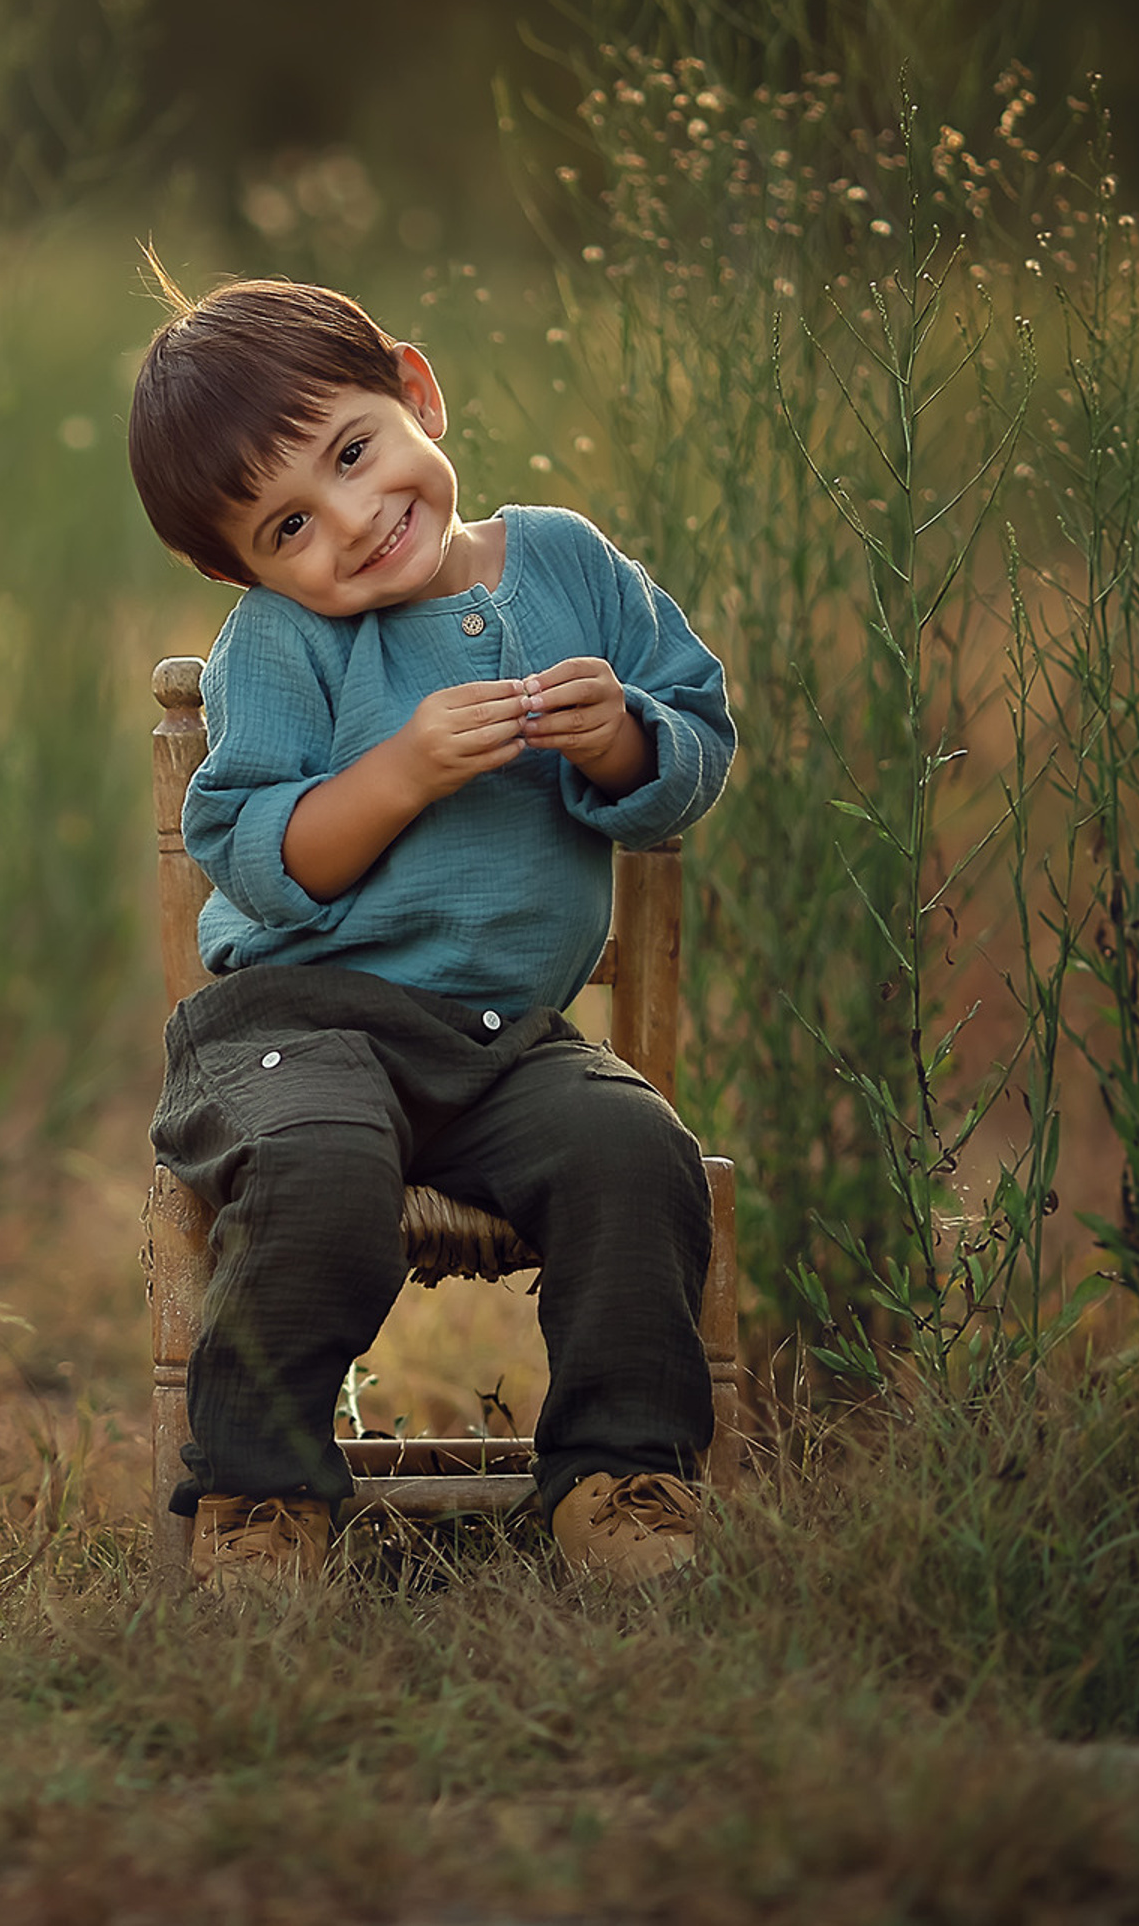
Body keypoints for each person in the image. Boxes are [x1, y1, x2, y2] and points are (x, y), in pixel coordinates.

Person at [125, 272, 736, 1589]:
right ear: (243, 567)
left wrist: (628, 734)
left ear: (415, 391)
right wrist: (397, 773)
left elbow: (696, 737)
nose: (353, 519)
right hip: (297, 1032)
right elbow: (252, 849)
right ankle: (264, 1489)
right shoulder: (282, 641)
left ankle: (621, 1476)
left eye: (354, 452)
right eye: (291, 523)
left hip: (509, 1045)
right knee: (323, 1171)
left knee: (634, 1148)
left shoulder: (569, 565)